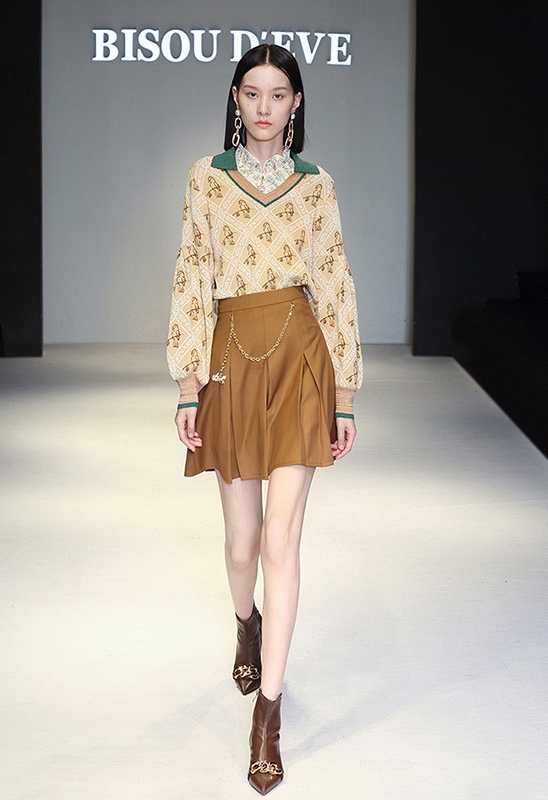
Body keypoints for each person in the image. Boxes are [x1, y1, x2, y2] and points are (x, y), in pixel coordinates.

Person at [167, 43, 362, 795]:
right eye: (252, 93)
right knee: (242, 543)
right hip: (232, 359)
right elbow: (191, 273)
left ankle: (268, 715)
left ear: (296, 104)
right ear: (236, 98)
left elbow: (335, 284)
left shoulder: (317, 186)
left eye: (279, 95)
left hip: (300, 357)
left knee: (282, 540)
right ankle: (245, 622)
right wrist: (189, 385)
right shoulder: (207, 178)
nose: (264, 107)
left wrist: (345, 395)